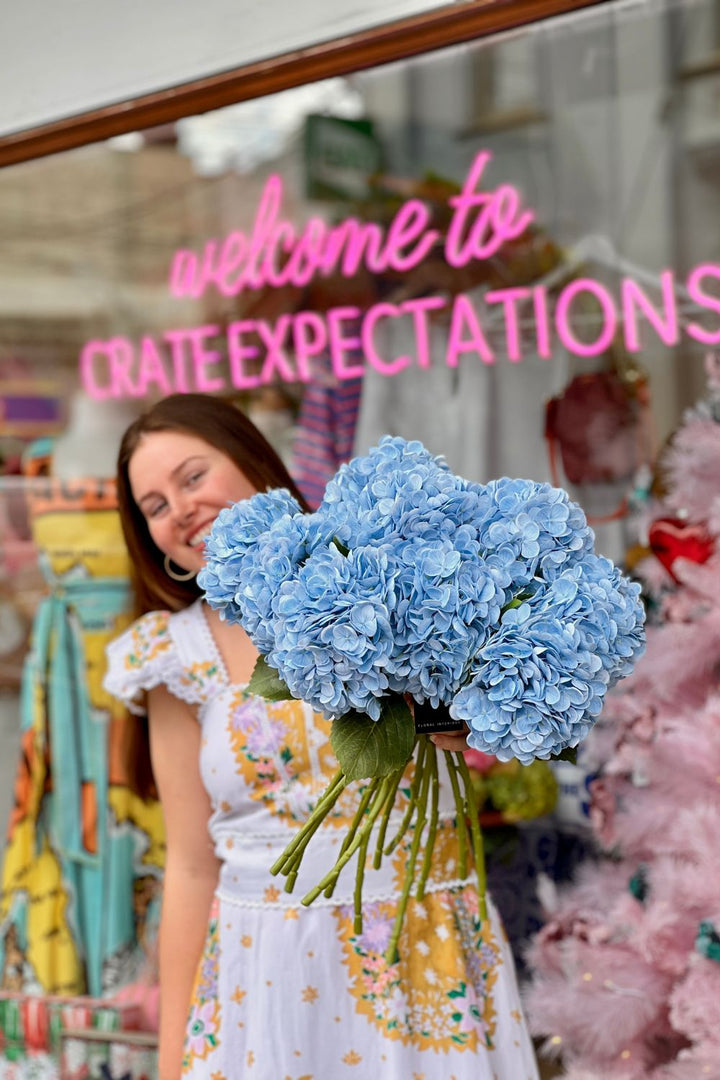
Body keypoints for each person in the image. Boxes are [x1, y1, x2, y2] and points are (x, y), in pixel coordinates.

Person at [104, 392, 540, 1080]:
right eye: (154, 505)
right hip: (268, 978)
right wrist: (172, 1062)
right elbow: (189, 868)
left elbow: (490, 728)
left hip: (425, 946)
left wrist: (466, 720)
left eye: (192, 477)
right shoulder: (170, 654)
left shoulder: (390, 579)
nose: (180, 507)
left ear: (254, 463)